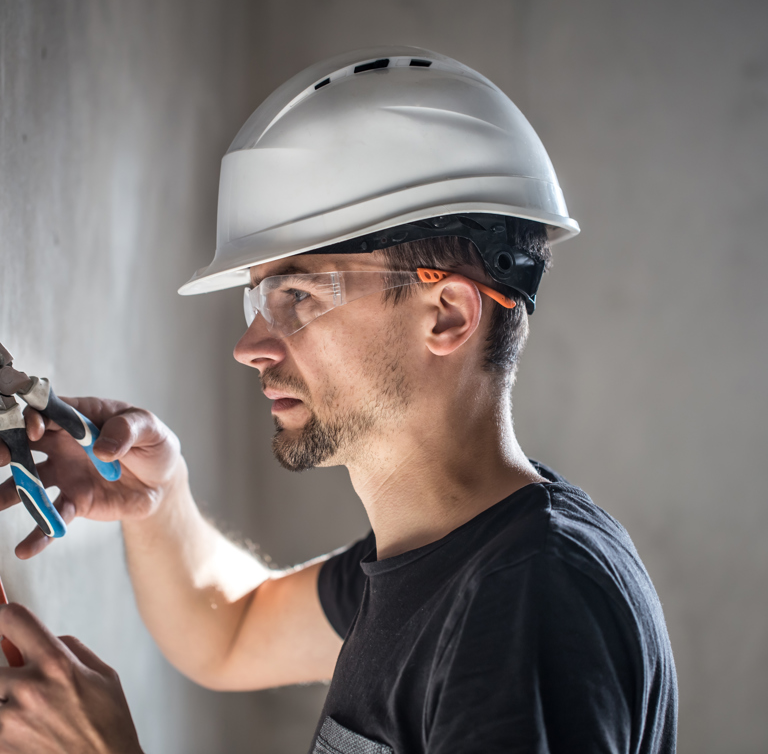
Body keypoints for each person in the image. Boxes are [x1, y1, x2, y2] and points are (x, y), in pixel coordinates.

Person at [0, 47, 677, 753]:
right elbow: (229, 631)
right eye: (257, 299)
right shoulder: (435, 560)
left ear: (445, 314)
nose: (250, 345)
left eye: (296, 294)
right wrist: (157, 496)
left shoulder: (526, 604)